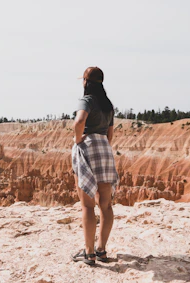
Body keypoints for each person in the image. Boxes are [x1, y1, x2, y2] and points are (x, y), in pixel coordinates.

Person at [71, 66, 119, 266]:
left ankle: (89, 253)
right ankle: (102, 250)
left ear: (86, 81)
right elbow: (110, 134)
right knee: (106, 204)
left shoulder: (87, 100)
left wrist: (77, 139)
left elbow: (79, 121)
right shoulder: (108, 104)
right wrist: (104, 144)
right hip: (104, 149)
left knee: (87, 205)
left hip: (88, 146)